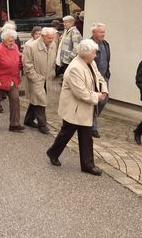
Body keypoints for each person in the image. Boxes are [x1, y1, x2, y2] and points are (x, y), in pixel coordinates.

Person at [46, 39, 108, 176]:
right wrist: (98, 96)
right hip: (74, 109)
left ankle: (87, 165)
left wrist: (104, 90)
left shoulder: (90, 62)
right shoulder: (75, 68)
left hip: (84, 108)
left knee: (85, 136)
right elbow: (81, 93)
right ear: (86, 54)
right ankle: (54, 153)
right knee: (67, 133)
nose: (96, 55)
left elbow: (99, 77)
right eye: (94, 53)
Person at [0, 28, 24, 132]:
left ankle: (14, 124)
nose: (13, 42)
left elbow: (19, 58)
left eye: (14, 40)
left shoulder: (15, 47)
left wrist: (22, 63)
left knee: (15, 99)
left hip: (12, 79)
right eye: (10, 41)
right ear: (3, 40)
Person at [22, 27, 57, 134]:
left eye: (52, 38)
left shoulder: (53, 45)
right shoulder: (31, 46)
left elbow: (53, 61)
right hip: (36, 78)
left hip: (47, 78)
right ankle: (42, 124)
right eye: (49, 38)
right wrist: (35, 78)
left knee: (36, 99)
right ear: (42, 36)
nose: (51, 40)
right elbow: (27, 65)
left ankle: (28, 120)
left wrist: (52, 73)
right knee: (40, 101)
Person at [90, 22, 111, 138]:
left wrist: (107, 75)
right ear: (94, 32)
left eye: (104, 32)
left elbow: (107, 60)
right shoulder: (89, 44)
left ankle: (91, 120)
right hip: (93, 78)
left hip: (104, 78)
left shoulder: (106, 44)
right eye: (101, 32)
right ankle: (93, 127)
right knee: (94, 102)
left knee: (103, 100)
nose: (103, 34)